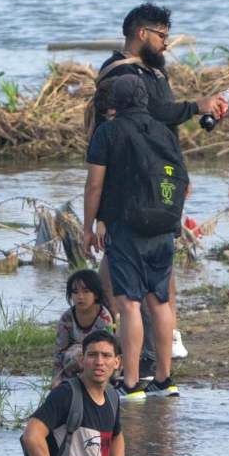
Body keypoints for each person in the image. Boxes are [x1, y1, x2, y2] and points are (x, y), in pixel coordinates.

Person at [95, 3, 225, 367]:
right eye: (162, 35)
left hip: (156, 178)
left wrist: (178, 172)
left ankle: (135, 334)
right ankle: (124, 332)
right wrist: (197, 105)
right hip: (128, 180)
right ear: (142, 33)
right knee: (131, 255)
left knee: (134, 254)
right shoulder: (120, 75)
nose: (166, 44)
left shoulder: (149, 71)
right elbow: (153, 116)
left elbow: (160, 128)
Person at [83, 74, 183, 400]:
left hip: (126, 227)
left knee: (129, 304)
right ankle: (165, 379)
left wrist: (90, 225)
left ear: (116, 101)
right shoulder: (164, 132)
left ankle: (131, 382)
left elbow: (95, 184)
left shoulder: (107, 132)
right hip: (165, 226)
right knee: (161, 301)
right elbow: (185, 182)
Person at [52, 269, 116, 388]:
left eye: (86, 291)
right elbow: (59, 352)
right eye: (75, 292)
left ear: (96, 294)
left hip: (97, 356)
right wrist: (56, 379)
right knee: (75, 355)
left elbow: (106, 347)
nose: (80, 297)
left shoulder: (104, 318)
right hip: (74, 361)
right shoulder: (67, 318)